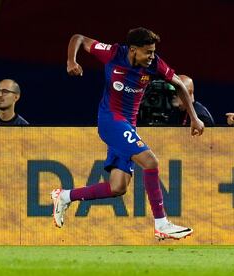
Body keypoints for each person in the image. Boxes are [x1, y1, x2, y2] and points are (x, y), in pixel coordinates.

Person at [51, 27, 204, 240]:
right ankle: (162, 224)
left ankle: (65, 196)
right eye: (147, 52)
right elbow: (79, 38)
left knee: (118, 186)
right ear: (133, 50)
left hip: (128, 126)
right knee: (150, 162)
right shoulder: (113, 53)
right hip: (111, 121)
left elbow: (179, 84)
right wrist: (71, 61)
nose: (152, 56)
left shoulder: (155, 64)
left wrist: (194, 117)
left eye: (153, 51)